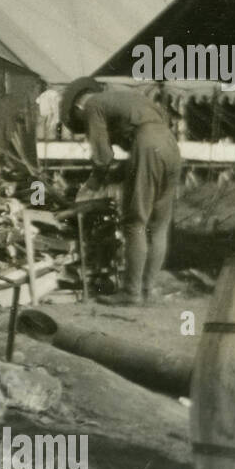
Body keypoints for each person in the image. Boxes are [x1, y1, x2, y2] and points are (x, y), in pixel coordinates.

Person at [62, 77, 182, 305]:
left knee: (135, 222)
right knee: (159, 225)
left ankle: (131, 293)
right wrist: (117, 173)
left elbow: (103, 155)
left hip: (148, 144)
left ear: (78, 107)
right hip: (170, 144)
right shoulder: (129, 99)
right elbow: (139, 151)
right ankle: (147, 290)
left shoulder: (92, 106)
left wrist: (93, 183)